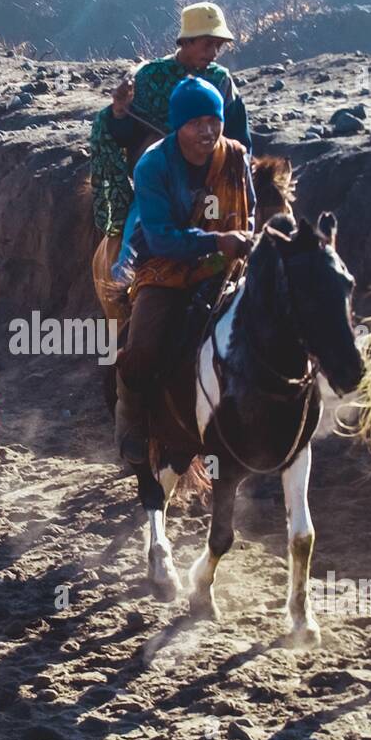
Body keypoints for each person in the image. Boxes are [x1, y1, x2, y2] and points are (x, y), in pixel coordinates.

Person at [113, 77, 255, 464]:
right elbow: (160, 238)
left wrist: (242, 244)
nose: (208, 131)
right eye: (196, 123)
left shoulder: (237, 157)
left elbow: (250, 213)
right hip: (167, 269)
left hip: (229, 266)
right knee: (142, 348)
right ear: (178, 125)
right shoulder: (153, 165)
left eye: (214, 120)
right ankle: (131, 419)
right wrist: (217, 242)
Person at [89, 1, 253, 247]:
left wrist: (233, 173)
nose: (214, 53)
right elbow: (125, 134)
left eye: (218, 45)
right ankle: (126, 276)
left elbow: (238, 134)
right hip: (161, 182)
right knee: (136, 238)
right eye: (207, 44)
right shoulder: (149, 77)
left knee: (223, 224)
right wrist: (119, 112)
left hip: (209, 183)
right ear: (186, 41)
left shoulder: (221, 81)